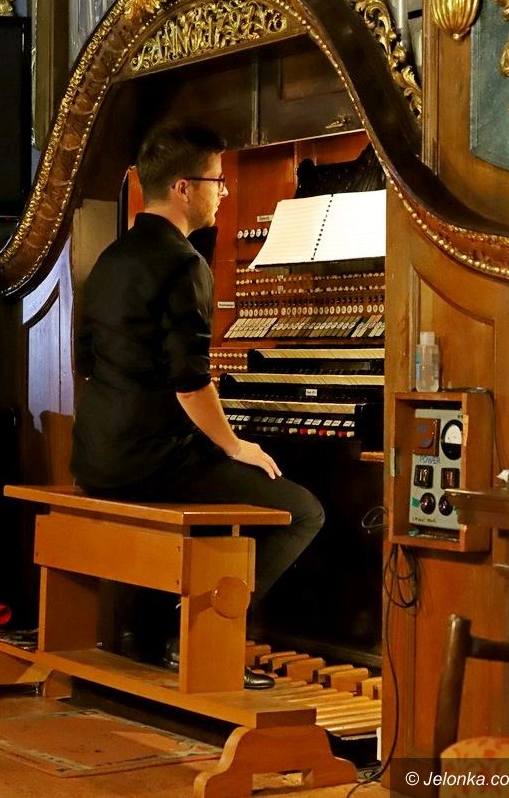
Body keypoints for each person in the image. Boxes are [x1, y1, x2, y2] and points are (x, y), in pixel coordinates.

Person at [71, 122, 325, 689]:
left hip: (96, 456)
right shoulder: (185, 264)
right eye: (218, 181)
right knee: (303, 511)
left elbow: (87, 358)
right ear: (183, 188)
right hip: (151, 463)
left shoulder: (112, 257)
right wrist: (234, 444)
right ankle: (199, 634)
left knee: (228, 492)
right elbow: (189, 386)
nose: (225, 192)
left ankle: (154, 634)